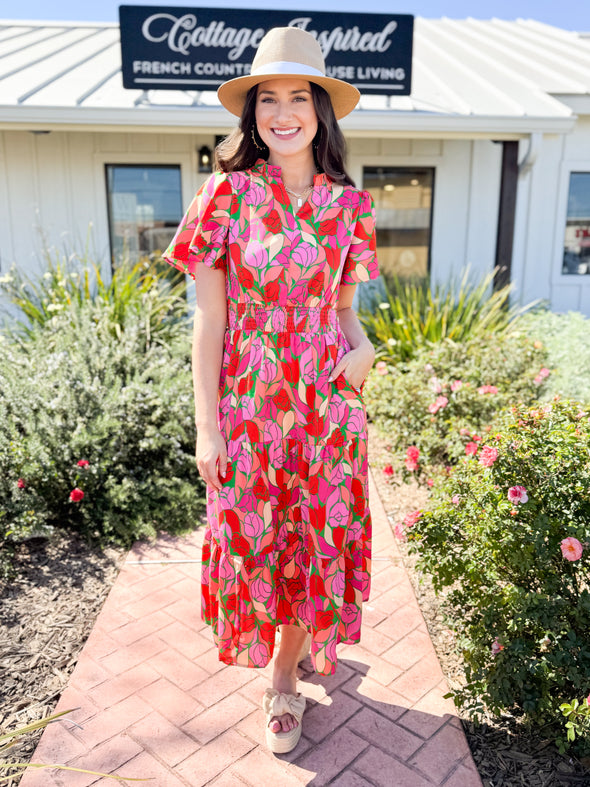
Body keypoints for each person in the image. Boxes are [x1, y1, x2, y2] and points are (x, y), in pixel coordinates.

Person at [163, 25, 380, 754]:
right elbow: (209, 318)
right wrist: (206, 425)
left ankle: (285, 675)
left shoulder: (349, 208)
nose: (282, 112)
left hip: (325, 411)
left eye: (298, 97)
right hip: (251, 409)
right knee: (257, 540)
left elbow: (346, 310)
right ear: (251, 113)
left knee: (312, 540)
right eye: (267, 99)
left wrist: (364, 348)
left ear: (321, 110)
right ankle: (290, 649)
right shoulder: (224, 195)